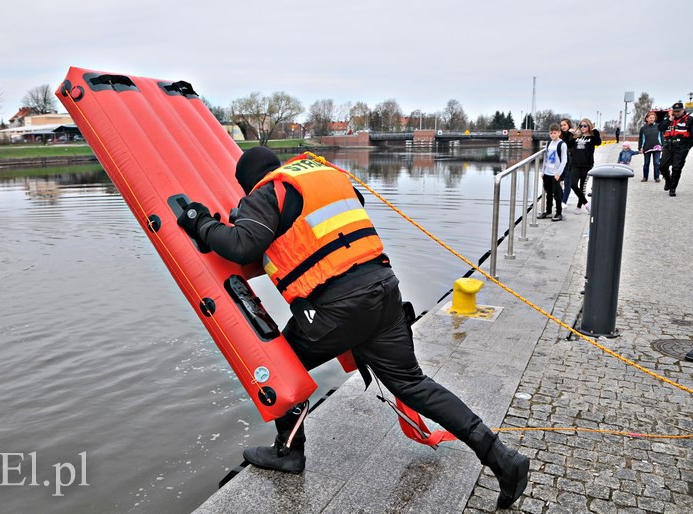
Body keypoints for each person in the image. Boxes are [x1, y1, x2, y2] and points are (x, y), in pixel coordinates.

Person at [177, 147, 530, 509]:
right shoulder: (325, 179)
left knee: (278, 368)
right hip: (384, 290)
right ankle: (502, 458)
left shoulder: (269, 192)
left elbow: (240, 244)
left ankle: (288, 453)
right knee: (411, 383)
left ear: (249, 183)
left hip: (339, 306)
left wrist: (200, 222)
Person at [658, 102, 693, 197]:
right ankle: (668, 181)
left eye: (678, 111)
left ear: (683, 110)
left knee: (676, 168)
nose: (676, 113)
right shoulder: (668, 118)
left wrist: (688, 147)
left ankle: (673, 188)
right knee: (662, 166)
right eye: (675, 111)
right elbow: (660, 128)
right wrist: (669, 119)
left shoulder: (689, 120)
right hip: (668, 146)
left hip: (681, 147)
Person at [568, 118, 601, 213]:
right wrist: (571, 134)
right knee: (573, 184)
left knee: (582, 186)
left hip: (587, 164)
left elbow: (598, 142)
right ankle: (586, 204)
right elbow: (569, 144)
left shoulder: (592, 137)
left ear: (589, 126)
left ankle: (579, 206)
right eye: (581, 126)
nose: (582, 128)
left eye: (585, 126)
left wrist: (595, 130)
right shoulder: (577, 137)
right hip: (575, 164)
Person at [537, 124, 566, 221]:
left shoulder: (562, 144)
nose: (552, 135)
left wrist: (558, 173)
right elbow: (545, 158)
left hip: (555, 174)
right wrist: (543, 171)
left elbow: (564, 161)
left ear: (559, 133)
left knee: (556, 194)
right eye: (551, 133)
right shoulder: (549, 143)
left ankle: (559, 213)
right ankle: (548, 211)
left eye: (555, 133)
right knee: (548, 193)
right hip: (547, 173)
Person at [638, 111, 663, 182]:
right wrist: (640, 147)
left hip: (657, 147)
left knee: (656, 163)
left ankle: (657, 177)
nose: (652, 119)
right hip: (647, 147)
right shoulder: (643, 128)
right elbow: (641, 139)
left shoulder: (658, 126)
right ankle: (645, 177)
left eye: (653, 118)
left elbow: (661, 137)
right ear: (647, 118)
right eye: (650, 118)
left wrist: (663, 146)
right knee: (646, 163)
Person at [559, 118, 575, 207]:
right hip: (561, 161)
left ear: (569, 125)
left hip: (570, 161)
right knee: (556, 181)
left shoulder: (572, 134)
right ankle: (561, 199)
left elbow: (573, 145)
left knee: (567, 182)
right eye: (561, 125)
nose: (563, 127)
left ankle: (564, 201)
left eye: (564, 125)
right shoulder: (560, 135)